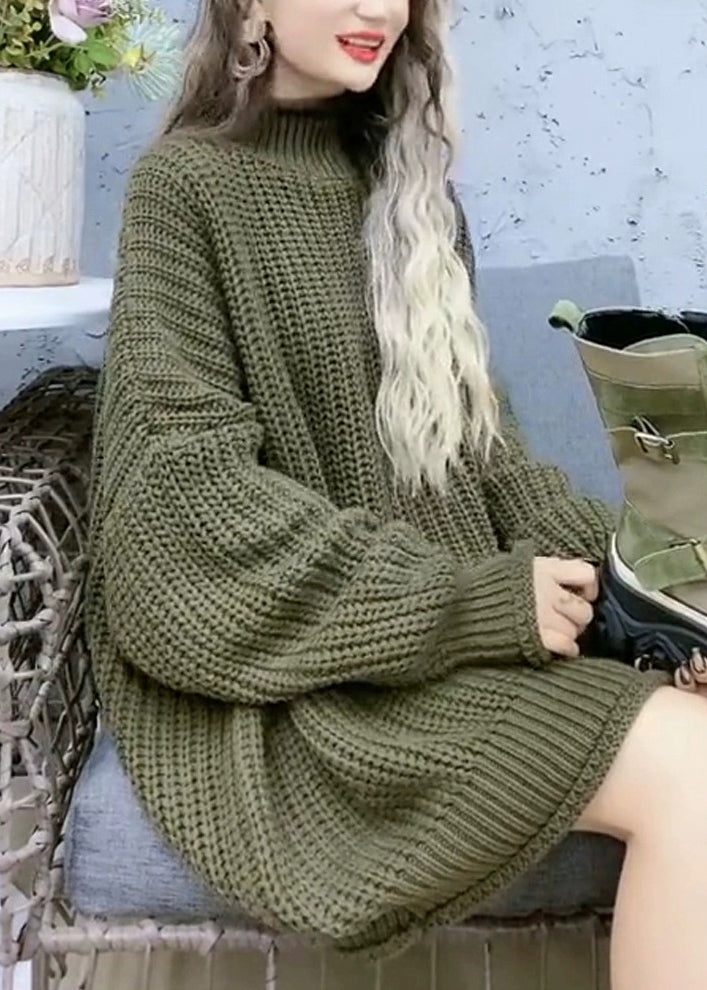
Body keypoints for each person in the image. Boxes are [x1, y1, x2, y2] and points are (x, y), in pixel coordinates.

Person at [85, 1, 707, 987]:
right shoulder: (186, 188)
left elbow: (486, 462)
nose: (380, 8)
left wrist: (657, 596)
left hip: (455, 651)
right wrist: (468, 602)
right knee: (693, 773)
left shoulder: (413, 195)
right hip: (311, 688)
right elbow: (185, 510)